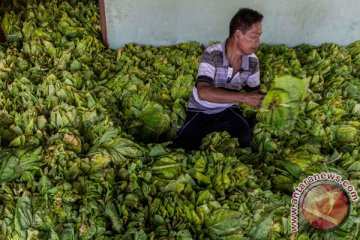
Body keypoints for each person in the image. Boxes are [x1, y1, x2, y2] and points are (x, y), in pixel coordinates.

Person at [175, 8, 265, 150]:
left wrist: (271, 99)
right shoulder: (212, 54)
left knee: (245, 138)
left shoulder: (253, 62)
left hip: (228, 108)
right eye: (253, 36)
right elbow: (203, 92)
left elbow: (254, 92)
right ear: (237, 35)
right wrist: (244, 98)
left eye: (259, 36)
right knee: (184, 144)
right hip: (200, 109)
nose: (257, 42)